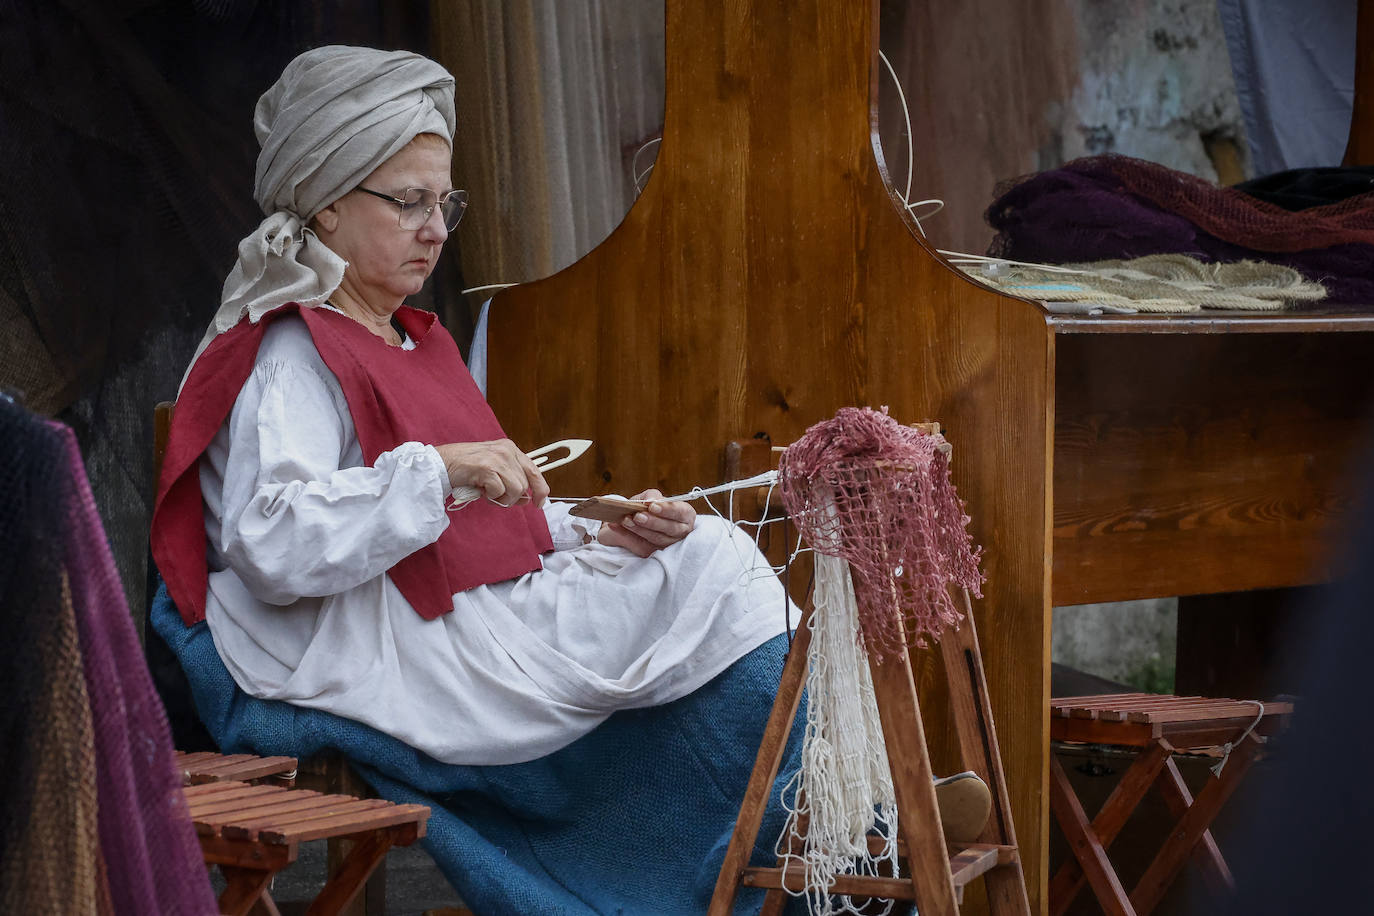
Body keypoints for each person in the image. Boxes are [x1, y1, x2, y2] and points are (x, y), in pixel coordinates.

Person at [150, 46, 987, 914]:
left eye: (445, 202)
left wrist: (599, 528)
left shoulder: (411, 338)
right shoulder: (287, 354)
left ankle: (840, 819)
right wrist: (440, 470)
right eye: (408, 203)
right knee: (713, 573)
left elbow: (483, 517)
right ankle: (838, 830)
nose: (437, 228)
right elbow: (270, 541)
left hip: (450, 602)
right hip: (370, 636)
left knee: (699, 555)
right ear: (324, 205)